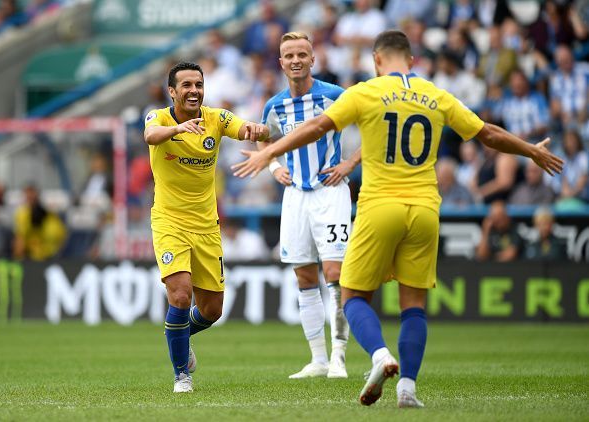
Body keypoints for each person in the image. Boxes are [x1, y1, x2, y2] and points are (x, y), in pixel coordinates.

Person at [232, 30, 563, 408]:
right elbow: (487, 133)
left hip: (380, 207)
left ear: (376, 60)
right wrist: (530, 151)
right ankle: (407, 388)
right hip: (425, 210)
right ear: (411, 61)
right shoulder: (435, 94)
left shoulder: (364, 91)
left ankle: (378, 355)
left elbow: (316, 127)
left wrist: (268, 152)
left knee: (353, 296)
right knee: (413, 305)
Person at [143, 61, 269, 393]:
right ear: (172, 91)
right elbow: (150, 135)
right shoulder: (158, 118)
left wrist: (258, 131)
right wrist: (178, 130)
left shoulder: (215, 118)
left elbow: (244, 127)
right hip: (169, 221)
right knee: (181, 295)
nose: (194, 91)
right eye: (186, 85)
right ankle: (181, 374)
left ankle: (176, 334)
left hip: (207, 227)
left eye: (198, 85)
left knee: (212, 310)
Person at [259, 31, 360, 379]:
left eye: (303, 54)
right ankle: (318, 359)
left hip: (330, 192)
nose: (296, 60)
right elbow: (265, 142)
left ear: (313, 59)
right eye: (290, 55)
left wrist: (350, 163)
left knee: (334, 273)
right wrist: (274, 167)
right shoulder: (274, 105)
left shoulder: (335, 97)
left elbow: (377, 130)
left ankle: (339, 358)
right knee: (303, 274)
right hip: (296, 197)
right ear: (281, 62)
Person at [12, 184, 67, 261]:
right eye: (28, 197)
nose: (31, 199)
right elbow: (20, 238)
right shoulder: (22, 214)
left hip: (49, 255)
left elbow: (60, 236)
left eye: (33, 196)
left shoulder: (49, 215)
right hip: (30, 256)